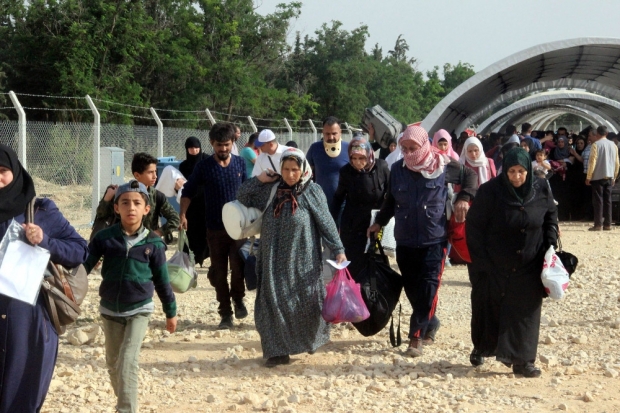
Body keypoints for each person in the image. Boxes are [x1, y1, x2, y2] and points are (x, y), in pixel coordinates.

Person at [367, 126, 478, 357]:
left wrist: (464, 198)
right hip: (405, 240)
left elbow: (470, 176)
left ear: (425, 145)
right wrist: (379, 222)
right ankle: (431, 321)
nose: (409, 153)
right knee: (412, 287)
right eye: (404, 149)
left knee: (428, 287)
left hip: (434, 240)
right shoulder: (397, 169)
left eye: (413, 148)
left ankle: (415, 336)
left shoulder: (443, 165)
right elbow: (390, 200)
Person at [236, 148, 346, 367]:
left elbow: (326, 223)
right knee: (271, 302)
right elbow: (242, 194)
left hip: (301, 258)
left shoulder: (311, 191)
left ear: (303, 169)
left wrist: (338, 249)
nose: (290, 174)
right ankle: (277, 351)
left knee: (304, 301)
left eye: (294, 169)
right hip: (271, 258)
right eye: (285, 169)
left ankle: (306, 341)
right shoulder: (271, 190)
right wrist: (260, 178)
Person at [0, 144, 88, 413]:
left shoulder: (40, 211)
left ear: (15, 172)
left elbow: (80, 250)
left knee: (22, 398)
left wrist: (45, 240)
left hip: (29, 324)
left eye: (2, 171)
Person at [84, 180, 177, 412]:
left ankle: (126, 409)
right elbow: (83, 268)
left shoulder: (154, 243)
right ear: (116, 208)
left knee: (127, 362)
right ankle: (123, 402)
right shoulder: (105, 238)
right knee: (113, 364)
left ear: (147, 209)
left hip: (139, 310)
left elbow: (162, 281)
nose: (131, 208)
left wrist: (170, 312)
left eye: (137, 203)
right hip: (109, 310)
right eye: (125, 203)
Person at [466, 147, 558, 378]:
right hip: (495, 260)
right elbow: (474, 227)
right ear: (504, 171)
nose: (516, 177)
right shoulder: (490, 192)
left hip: (530, 260)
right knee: (490, 306)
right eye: (511, 171)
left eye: (521, 171)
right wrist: (481, 261)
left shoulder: (541, 188)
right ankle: (484, 346)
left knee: (526, 310)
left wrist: (550, 242)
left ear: (528, 169)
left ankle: (523, 360)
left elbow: (550, 215)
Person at [180, 123, 248, 329]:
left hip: (238, 228)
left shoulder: (240, 164)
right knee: (219, 272)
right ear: (212, 144)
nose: (223, 149)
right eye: (219, 145)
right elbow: (188, 191)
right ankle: (225, 313)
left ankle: (238, 298)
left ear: (233, 143)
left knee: (238, 268)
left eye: (226, 145)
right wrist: (182, 214)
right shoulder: (204, 167)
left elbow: (247, 192)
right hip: (215, 228)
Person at [331, 136, 390, 279]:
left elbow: (391, 194)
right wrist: (331, 223)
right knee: (354, 266)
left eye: (361, 158)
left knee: (375, 264)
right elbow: (338, 198)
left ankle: (375, 298)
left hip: (375, 223)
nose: (358, 162)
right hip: (353, 226)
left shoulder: (381, 167)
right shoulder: (346, 172)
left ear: (369, 154)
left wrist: (384, 219)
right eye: (354, 158)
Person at [95, 152, 180, 239]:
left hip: (147, 245)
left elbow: (175, 219)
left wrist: (157, 233)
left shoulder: (157, 196)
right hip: (122, 242)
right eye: (150, 172)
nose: (155, 176)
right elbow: (101, 215)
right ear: (137, 175)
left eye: (155, 171)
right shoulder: (122, 194)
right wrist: (107, 199)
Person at [178, 137, 210, 266]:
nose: (194, 150)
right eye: (191, 148)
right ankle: (193, 258)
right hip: (191, 203)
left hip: (206, 201)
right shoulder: (184, 165)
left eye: (196, 147)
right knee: (193, 231)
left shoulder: (207, 160)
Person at [306, 116, 350, 205]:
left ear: (340, 132)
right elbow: (306, 173)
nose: (331, 137)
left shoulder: (349, 148)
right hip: (319, 202)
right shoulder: (315, 148)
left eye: (334, 133)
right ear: (323, 133)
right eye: (327, 133)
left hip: (343, 202)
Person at [585, 125, 620, 231]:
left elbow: (592, 162)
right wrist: (614, 176)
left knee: (598, 201)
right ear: (607, 133)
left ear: (597, 134)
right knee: (608, 200)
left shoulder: (596, 145)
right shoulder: (613, 145)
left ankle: (598, 224)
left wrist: (589, 176)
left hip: (597, 176)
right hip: (609, 176)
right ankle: (608, 224)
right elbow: (617, 162)